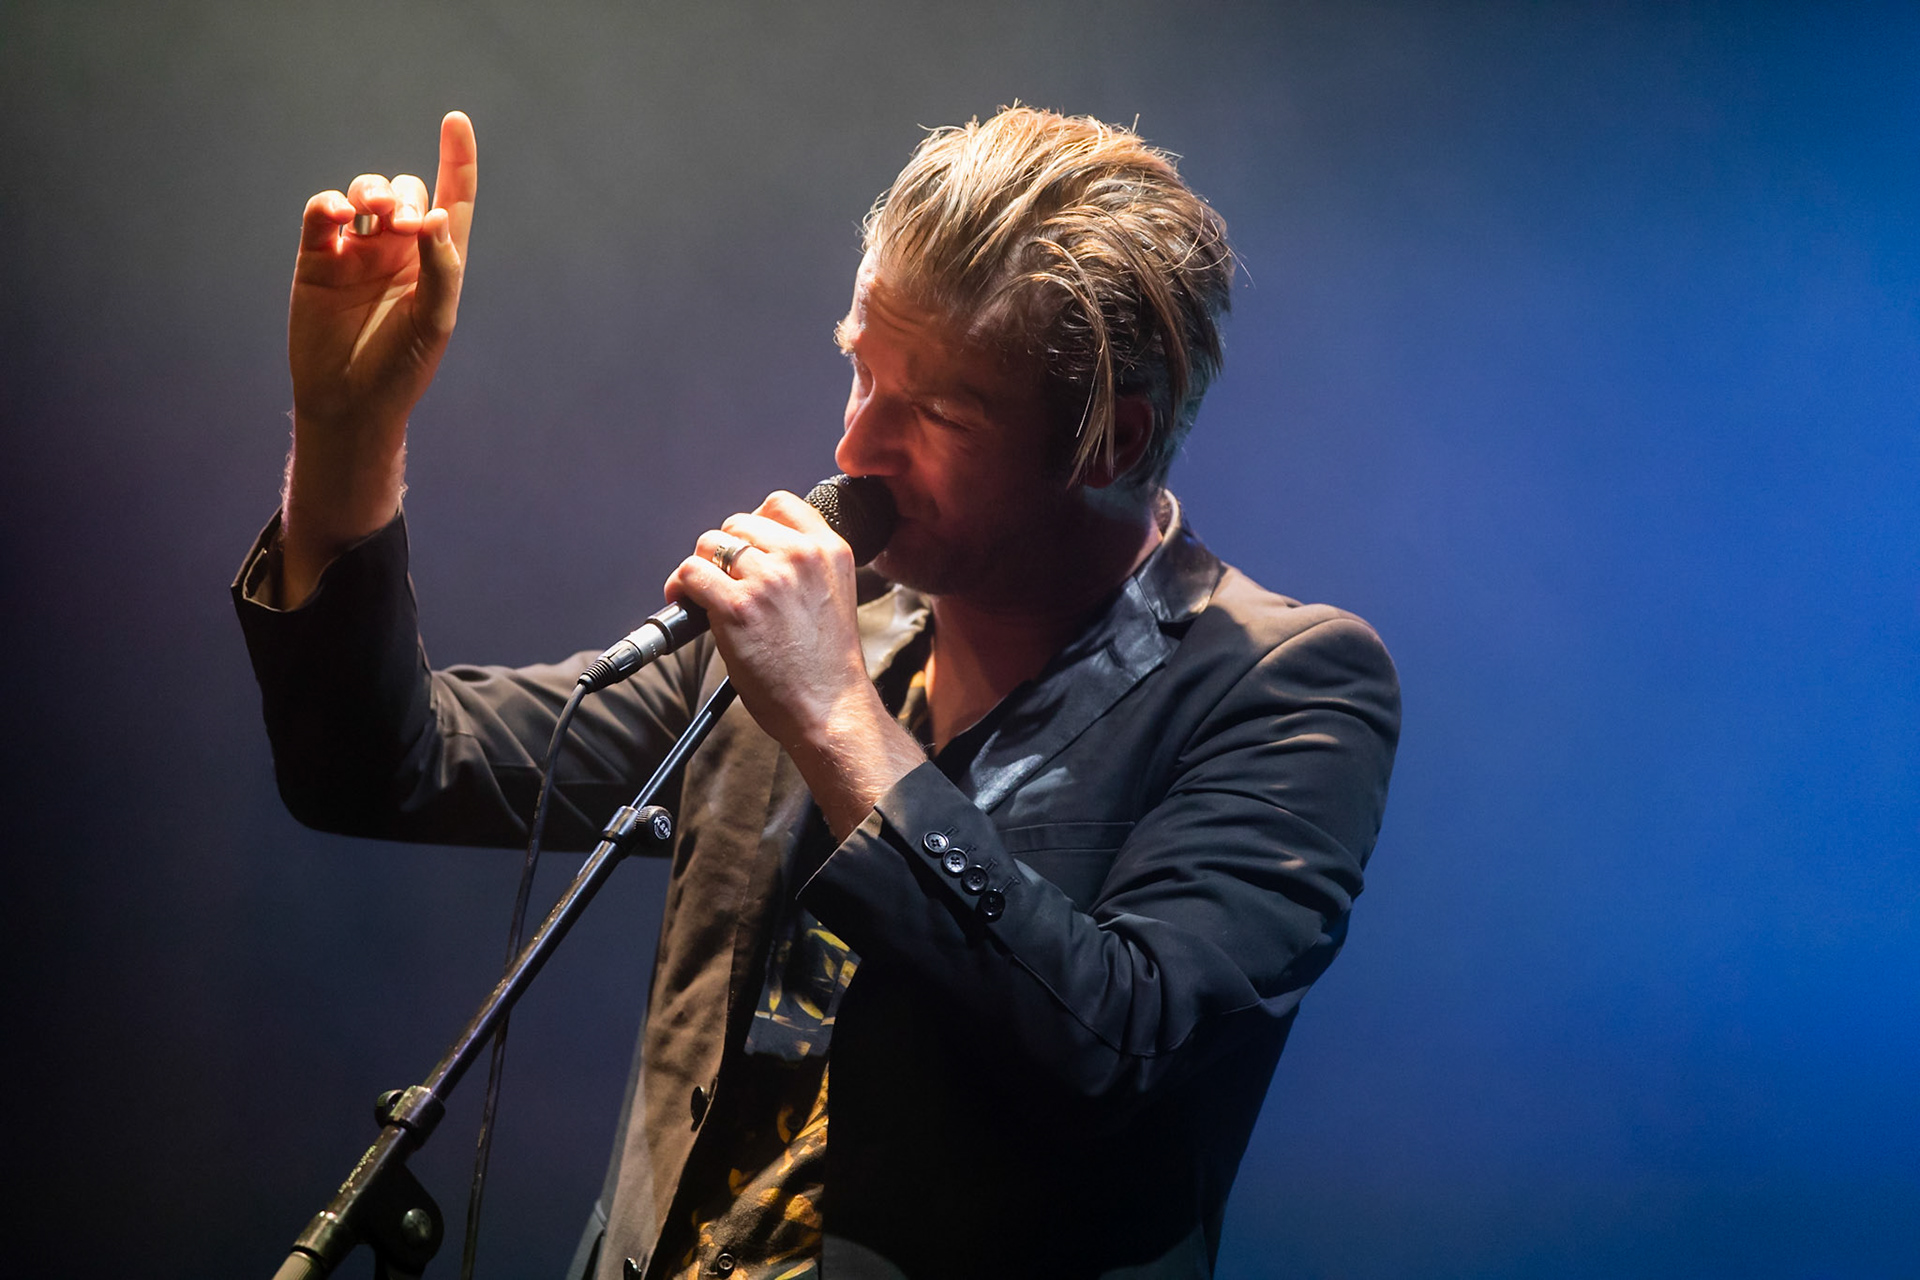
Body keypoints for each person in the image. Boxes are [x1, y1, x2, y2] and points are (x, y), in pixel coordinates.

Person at [234, 106, 1400, 1280]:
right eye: (860, 369)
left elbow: (1119, 1046)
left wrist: (837, 713)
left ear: (1114, 439)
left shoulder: (1281, 686)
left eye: (937, 411)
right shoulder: (822, 639)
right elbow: (381, 766)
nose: (857, 446)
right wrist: (346, 430)